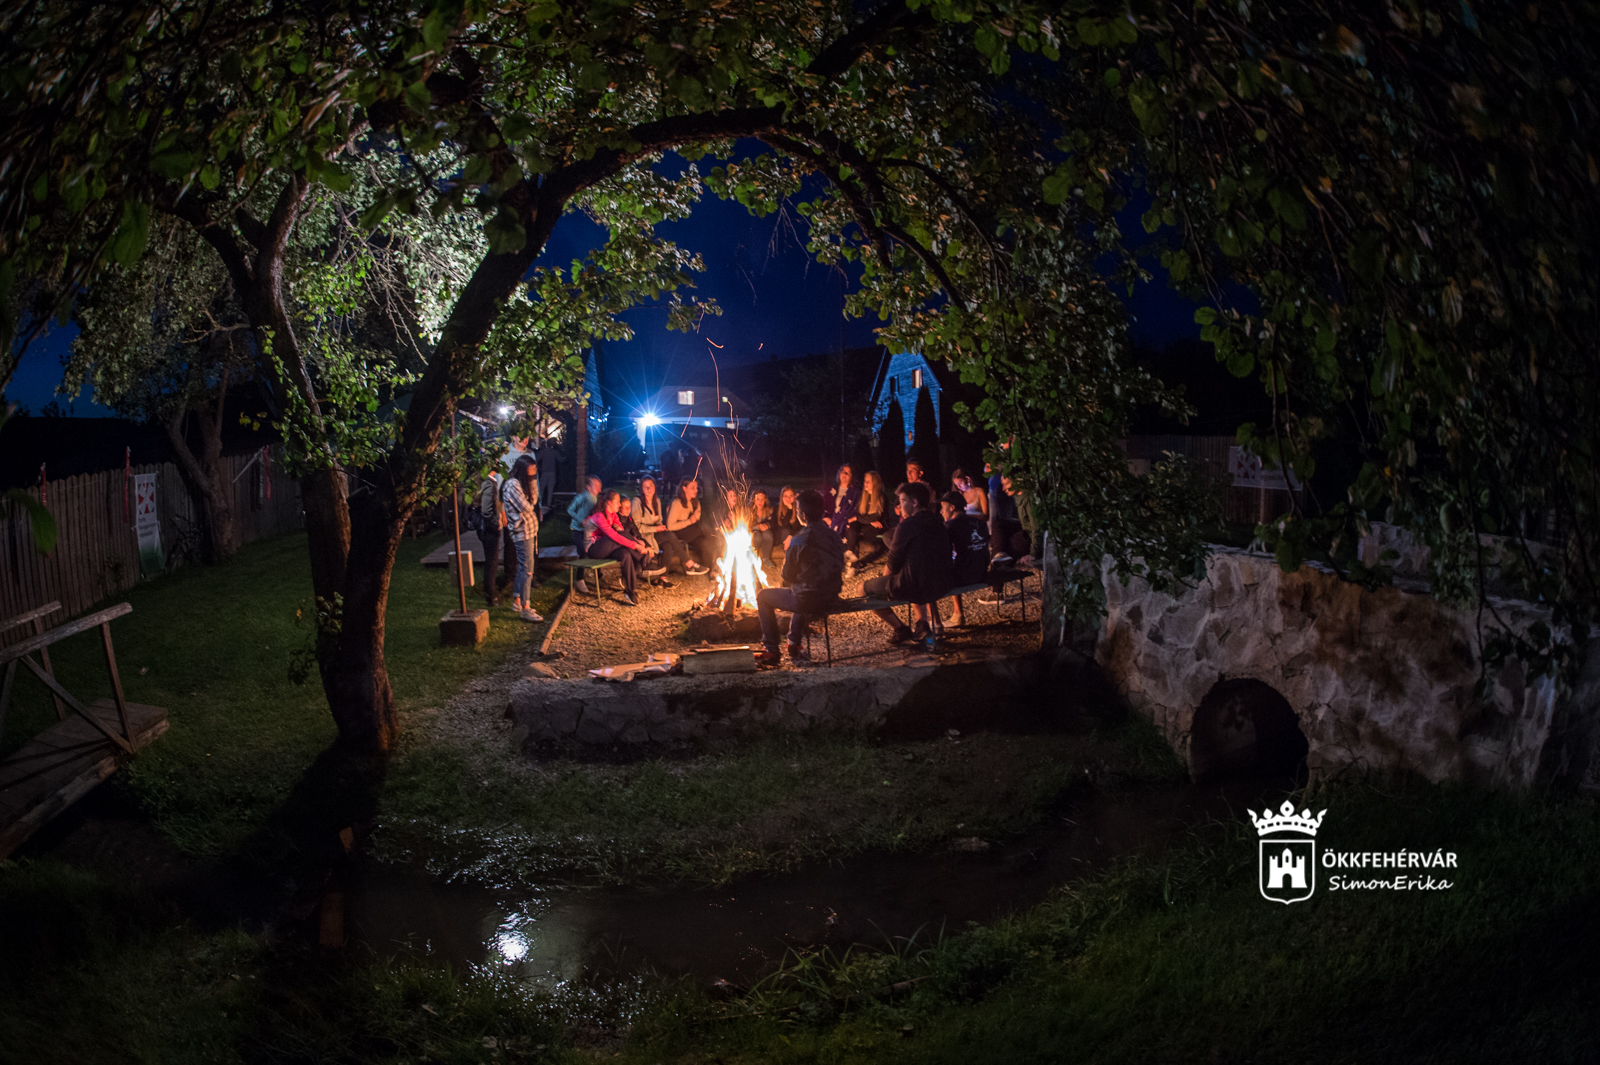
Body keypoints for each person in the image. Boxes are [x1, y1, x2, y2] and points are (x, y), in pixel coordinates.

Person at [755, 489, 844, 666]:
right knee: (804, 589)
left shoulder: (798, 540)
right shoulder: (835, 537)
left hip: (809, 600)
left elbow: (787, 575)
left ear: (802, 514)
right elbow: (839, 566)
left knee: (764, 596)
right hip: (832, 597)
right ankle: (794, 643)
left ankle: (771, 650)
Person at [864, 481, 951, 649]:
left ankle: (901, 629)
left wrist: (884, 583)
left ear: (915, 503)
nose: (900, 505)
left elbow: (893, 562)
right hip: (941, 582)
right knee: (912, 574)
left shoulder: (906, 526)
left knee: (863, 589)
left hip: (916, 583)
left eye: (903, 501)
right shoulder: (937, 522)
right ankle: (922, 625)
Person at [582, 490, 653, 606]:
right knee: (617, 538)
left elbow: (622, 532)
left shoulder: (613, 515)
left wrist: (638, 542)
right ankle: (644, 562)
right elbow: (614, 536)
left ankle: (631, 591)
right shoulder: (599, 516)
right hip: (593, 549)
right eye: (618, 502)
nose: (619, 505)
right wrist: (637, 546)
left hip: (607, 547)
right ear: (609, 503)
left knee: (625, 554)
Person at [500, 455, 543, 622]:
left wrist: (532, 481)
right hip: (522, 532)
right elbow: (527, 507)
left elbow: (534, 499)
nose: (533, 475)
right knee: (527, 570)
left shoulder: (522, 484)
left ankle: (517, 600)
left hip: (529, 531)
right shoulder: (512, 485)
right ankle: (526, 607)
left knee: (523, 567)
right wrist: (531, 501)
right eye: (531, 472)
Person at [940, 490, 990, 628]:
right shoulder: (978, 522)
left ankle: (938, 622)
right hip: (983, 572)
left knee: (932, 576)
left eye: (943, 507)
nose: (940, 512)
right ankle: (956, 615)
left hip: (966, 577)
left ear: (952, 507)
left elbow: (946, 555)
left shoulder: (951, 527)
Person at [659, 478, 711, 575]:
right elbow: (670, 527)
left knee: (706, 542)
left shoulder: (695, 502)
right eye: (692, 488)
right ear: (684, 488)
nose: (696, 490)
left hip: (689, 533)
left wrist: (694, 518)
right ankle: (721, 543)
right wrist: (689, 521)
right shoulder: (677, 503)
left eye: (696, 487)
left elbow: (695, 520)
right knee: (702, 528)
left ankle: (712, 571)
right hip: (676, 534)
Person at [476, 464, 509, 607]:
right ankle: (491, 596)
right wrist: (496, 523)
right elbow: (487, 510)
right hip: (489, 528)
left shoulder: (485, 479)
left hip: (484, 528)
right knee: (492, 562)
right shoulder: (489, 482)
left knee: (491, 561)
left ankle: (490, 591)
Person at [619, 496, 671, 586]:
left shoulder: (630, 520)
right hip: (623, 546)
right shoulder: (617, 519)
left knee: (646, 548)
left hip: (633, 544)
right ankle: (645, 567)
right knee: (638, 551)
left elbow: (637, 534)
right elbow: (623, 536)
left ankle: (630, 577)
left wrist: (647, 545)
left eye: (629, 507)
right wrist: (638, 544)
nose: (628, 509)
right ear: (619, 508)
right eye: (625, 507)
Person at [844, 470, 889, 575]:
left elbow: (877, 516)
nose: (865, 484)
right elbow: (860, 514)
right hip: (865, 525)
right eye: (865, 481)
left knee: (855, 531)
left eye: (868, 481)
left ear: (875, 483)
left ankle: (852, 564)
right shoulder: (864, 496)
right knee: (852, 527)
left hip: (879, 528)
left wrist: (857, 518)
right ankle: (852, 558)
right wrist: (865, 520)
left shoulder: (881, 497)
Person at [825, 463, 860, 537]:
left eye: (848, 473)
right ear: (839, 473)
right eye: (843, 471)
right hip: (831, 520)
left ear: (851, 477)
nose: (845, 474)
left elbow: (857, 510)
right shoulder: (831, 490)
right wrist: (826, 518)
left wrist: (847, 521)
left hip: (846, 522)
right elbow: (823, 506)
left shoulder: (855, 493)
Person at [634, 476, 666, 553]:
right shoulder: (637, 502)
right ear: (641, 489)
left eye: (651, 485)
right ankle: (688, 561)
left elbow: (659, 520)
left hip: (656, 533)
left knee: (668, 545)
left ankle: (664, 565)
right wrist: (655, 529)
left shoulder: (657, 501)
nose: (649, 489)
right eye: (646, 487)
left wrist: (661, 527)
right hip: (644, 535)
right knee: (670, 536)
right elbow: (636, 527)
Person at [750, 489, 777, 564]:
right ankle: (753, 557)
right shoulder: (748, 511)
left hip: (765, 533)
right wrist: (757, 527)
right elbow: (746, 526)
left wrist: (768, 525)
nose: (760, 502)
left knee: (767, 534)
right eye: (758, 499)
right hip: (753, 532)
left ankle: (766, 558)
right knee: (757, 536)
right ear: (753, 500)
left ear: (765, 500)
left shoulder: (770, 510)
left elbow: (774, 523)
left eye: (762, 499)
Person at [773, 485, 801, 552]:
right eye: (786, 496)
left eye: (791, 496)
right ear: (782, 497)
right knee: (786, 531)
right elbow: (784, 525)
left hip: (793, 534)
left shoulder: (798, 508)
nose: (788, 498)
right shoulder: (777, 508)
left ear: (794, 496)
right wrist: (789, 510)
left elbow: (797, 526)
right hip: (781, 535)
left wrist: (791, 535)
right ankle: (787, 556)